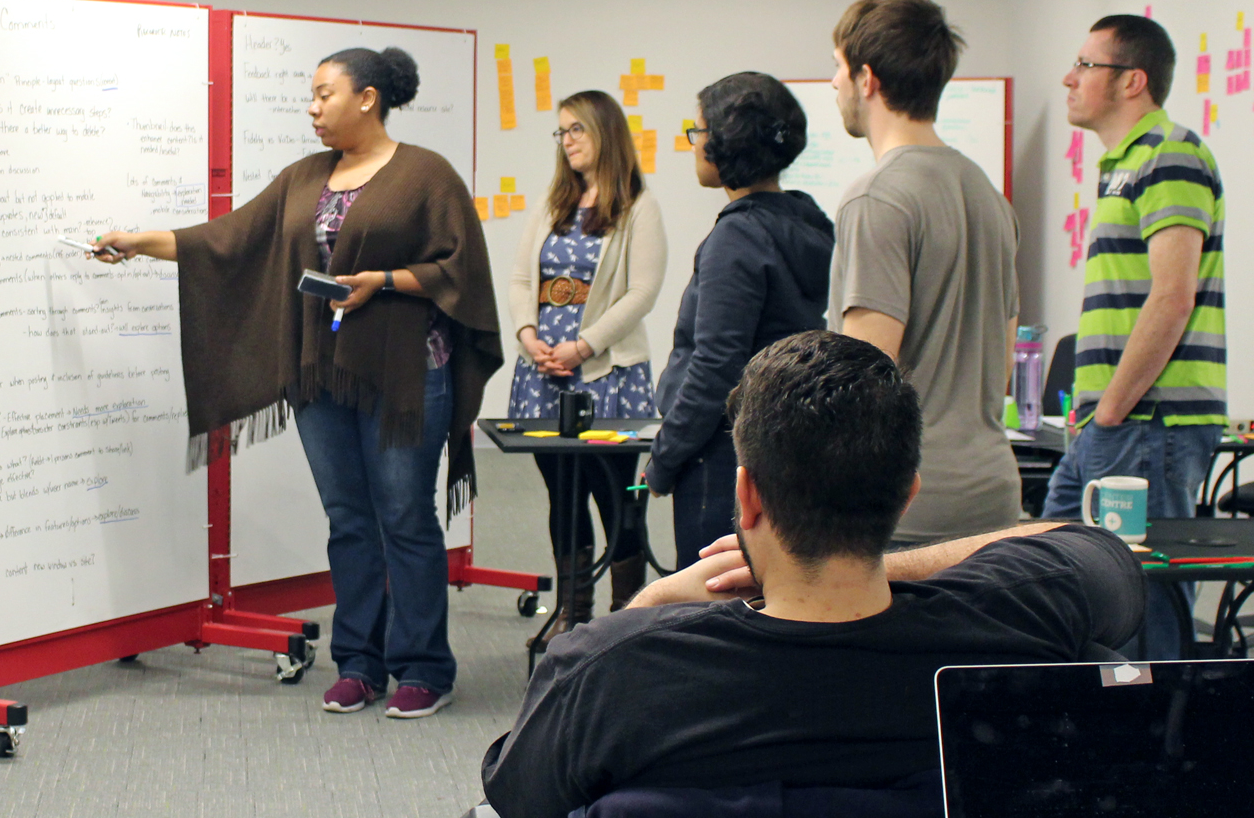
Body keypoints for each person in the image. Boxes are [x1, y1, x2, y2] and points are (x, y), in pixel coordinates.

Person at [476, 331, 1145, 818]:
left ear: (747, 496)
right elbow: (1098, 552)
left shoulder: (611, 670)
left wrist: (647, 605)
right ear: (907, 495)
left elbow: (516, 797)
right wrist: (887, 562)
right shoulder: (1017, 618)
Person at [94, 47, 502, 720]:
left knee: (404, 518)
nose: (312, 108)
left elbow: (459, 270)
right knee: (349, 520)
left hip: (404, 374)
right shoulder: (305, 176)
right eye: (311, 96)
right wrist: (139, 242)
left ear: (367, 98)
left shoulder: (426, 175)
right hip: (319, 376)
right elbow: (227, 239)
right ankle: (360, 665)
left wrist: (384, 281)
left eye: (324, 94)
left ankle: (424, 668)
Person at [1041, 14, 1226, 660]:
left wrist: (1113, 409)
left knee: (1139, 614)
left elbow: (1172, 297)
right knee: (1056, 575)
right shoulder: (1124, 163)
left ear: (1132, 81)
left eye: (1085, 65)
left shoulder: (1169, 155)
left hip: (1147, 422)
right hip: (1114, 422)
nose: (1070, 78)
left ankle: (1161, 727)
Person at [827, 0, 1020, 546]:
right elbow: (1003, 356)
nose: (834, 83)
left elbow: (866, 376)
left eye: (838, 67)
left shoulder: (877, 197)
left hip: (905, 504)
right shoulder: (988, 195)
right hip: (990, 492)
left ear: (867, 79)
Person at [645, 73, 831, 568]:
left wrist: (664, 459)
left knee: (714, 596)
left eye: (698, 132)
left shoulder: (737, 237)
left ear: (724, 144)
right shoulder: (805, 222)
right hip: (777, 444)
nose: (694, 144)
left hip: (722, 456)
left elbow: (716, 366)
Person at [507, 89, 666, 623]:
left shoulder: (638, 206)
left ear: (605, 132)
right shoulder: (552, 202)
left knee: (615, 494)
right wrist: (528, 336)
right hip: (544, 372)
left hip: (606, 371)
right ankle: (573, 616)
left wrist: (583, 345)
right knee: (563, 495)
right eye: (562, 131)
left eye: (577, 129)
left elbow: (642, 293)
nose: (567, 140)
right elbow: (521, 279)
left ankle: (626, 618)